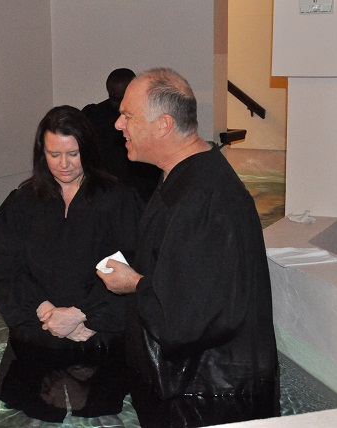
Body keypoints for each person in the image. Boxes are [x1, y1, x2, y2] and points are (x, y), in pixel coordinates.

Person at [97, 68, 279, 427]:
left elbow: (191, 315)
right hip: (194, 388)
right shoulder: (186, 176)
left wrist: (133, 283)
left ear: (163, 125)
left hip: (207, 396)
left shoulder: (204, 197)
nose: (118, 125)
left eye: (128, 116)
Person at [0, 105, 143, 423]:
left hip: (96, 334)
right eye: (54, 154)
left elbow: (135, 268)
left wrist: (83, 315)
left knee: (101, 415)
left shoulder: (118, 201)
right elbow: (2, 267)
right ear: (41, 153)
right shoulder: (21, 203)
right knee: (33, 415)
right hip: (38, 330)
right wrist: (44, 310)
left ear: (88, 150)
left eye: (73, 154)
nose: (64, 164)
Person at [82, 68, 161, 202]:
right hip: (107, 193)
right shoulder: (93, 115)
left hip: (144, 193)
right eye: (115, 99)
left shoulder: (152, 116)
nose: (120, 105)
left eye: (124, 98)